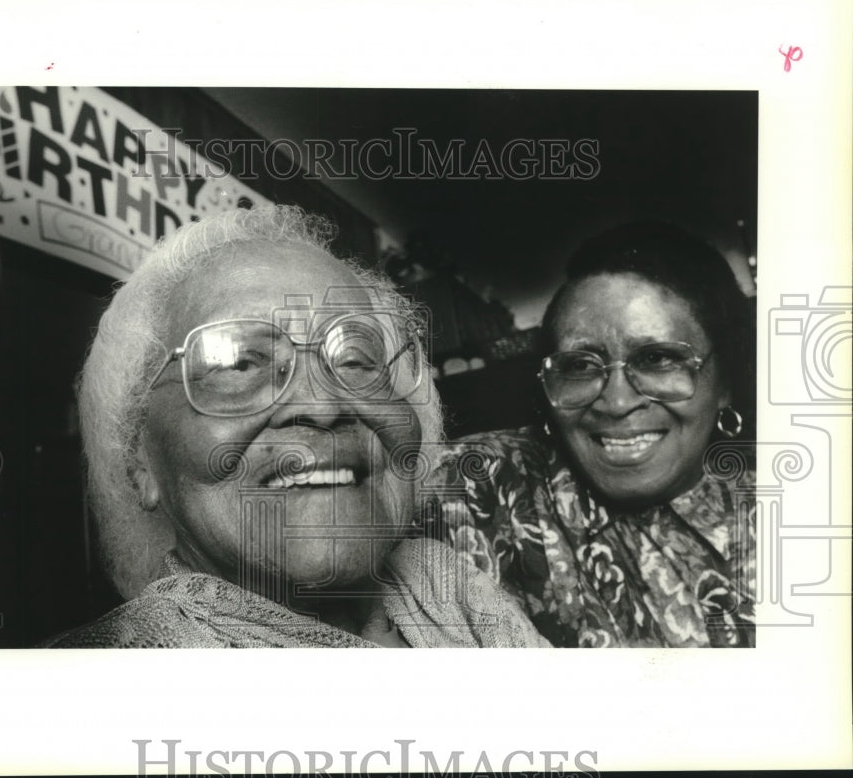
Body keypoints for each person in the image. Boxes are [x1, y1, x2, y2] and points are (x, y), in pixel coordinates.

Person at [48, 204, 547, 648]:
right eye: (240, 364)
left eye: (356, 360)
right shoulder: (109, 673)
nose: (323, 404)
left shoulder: (445, 580)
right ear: (140, 460)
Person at [422, 222, 755, 647]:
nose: (616, 403)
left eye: (657, 358)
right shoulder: (482, 485)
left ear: (724, 382)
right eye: (580, 365)